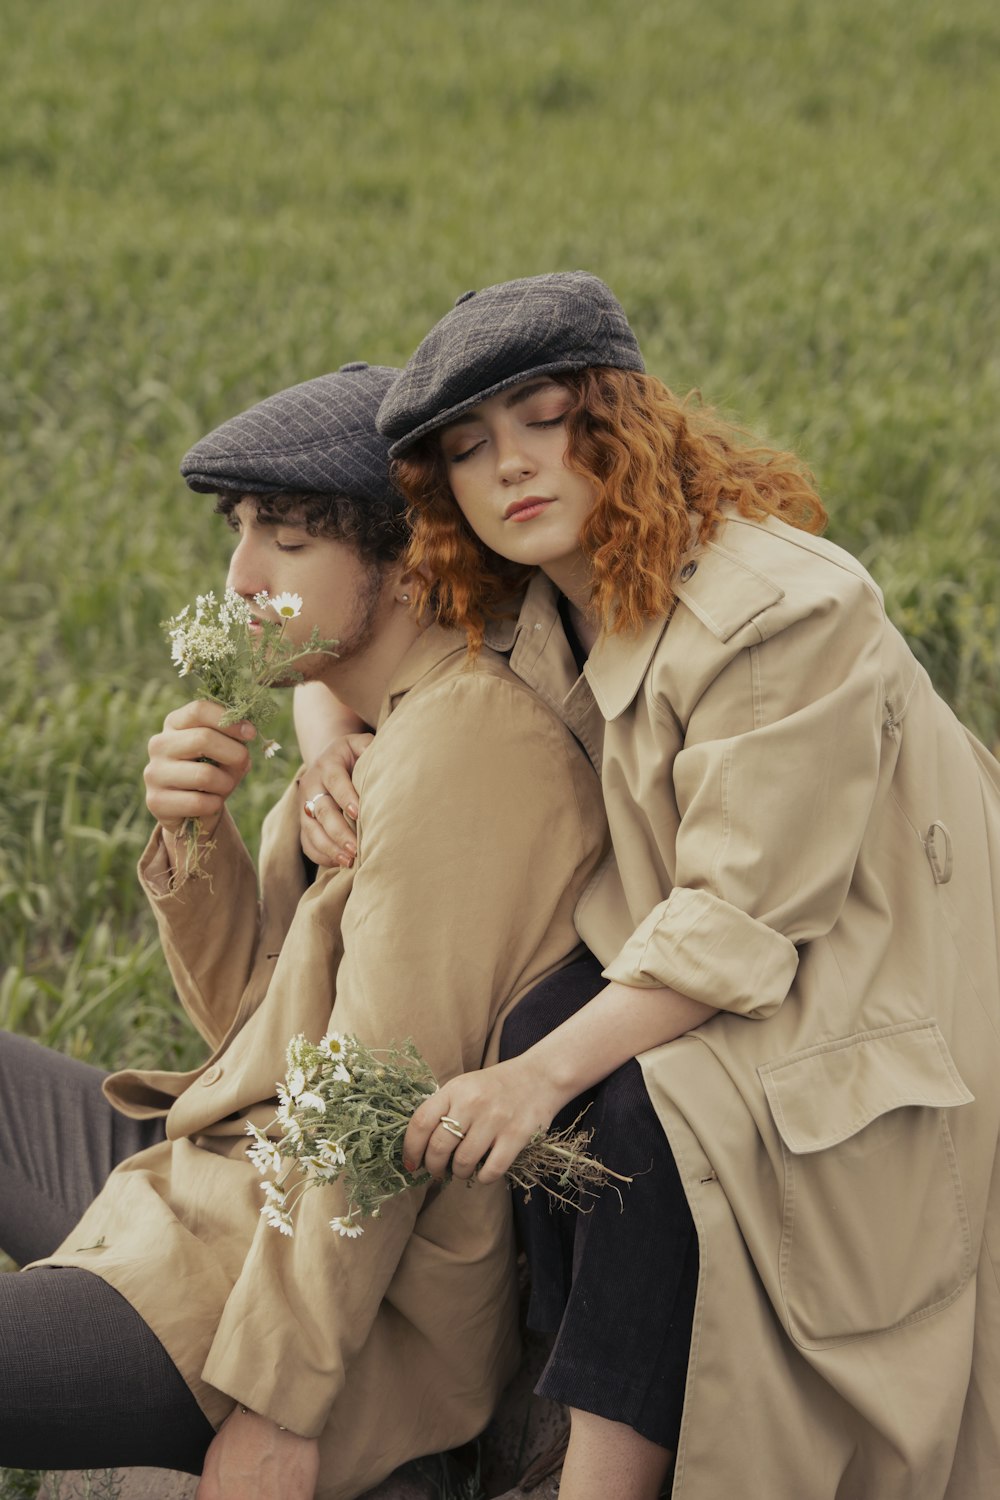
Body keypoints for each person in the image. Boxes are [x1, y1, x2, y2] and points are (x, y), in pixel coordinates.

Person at [300, 274, 1000, 1500]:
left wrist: (538, 1075)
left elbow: (739, 914)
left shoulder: (781, 610)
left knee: (632, 1108)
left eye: (546, 417)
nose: (512, 466)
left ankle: (602, 1480)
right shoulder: (534, 585)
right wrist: (325, 740)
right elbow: (354, 624)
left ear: (619, 420)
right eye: (469, 448)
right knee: (526, 1022)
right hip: (716, 925)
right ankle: (523, 1415)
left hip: (876, 952)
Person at [0, 361, 608, 1500]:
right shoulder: (377, 728)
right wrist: (194, 834)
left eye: (285, 538)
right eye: (240, 531)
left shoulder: (467, 749)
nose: (239, 577)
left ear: (411, 551)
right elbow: (247, 1025)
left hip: (264, 1281)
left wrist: (280, 1409)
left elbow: (370, 1103)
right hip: (212, 1179)